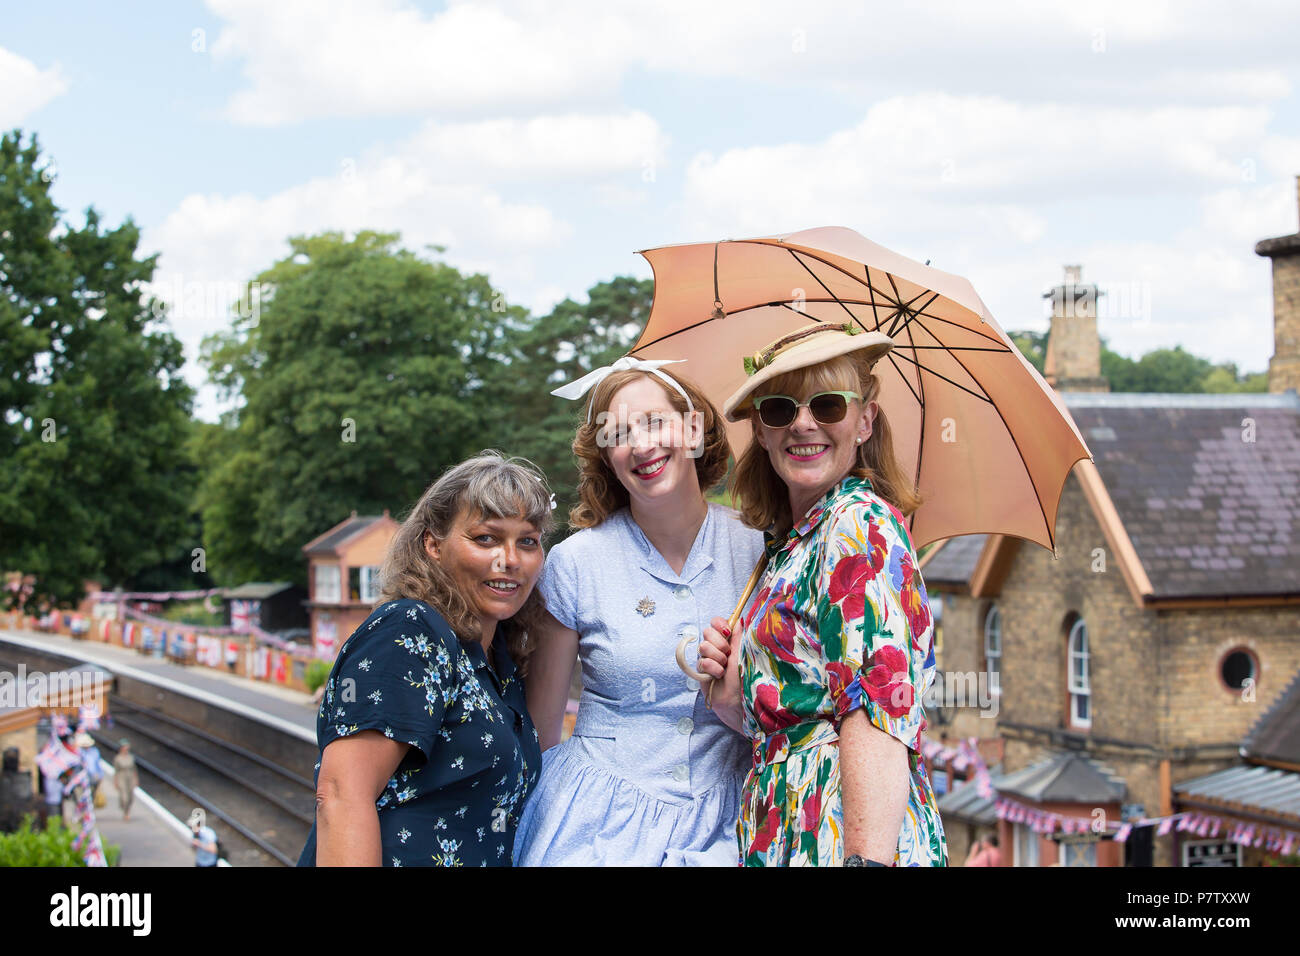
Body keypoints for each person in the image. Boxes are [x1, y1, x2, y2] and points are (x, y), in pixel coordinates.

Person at [699, 322, 948, 866]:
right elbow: (800, 715)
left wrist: (865, 859)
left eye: (828, 405)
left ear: (864, 422)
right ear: (762, 432)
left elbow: (879, 711)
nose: (804, 423)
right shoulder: (794, 544)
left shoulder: (856, 526)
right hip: (789, 823)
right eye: (780, 409)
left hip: (844, 834)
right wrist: (731, 694)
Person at [514, 358, 765, 866]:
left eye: (655, 422)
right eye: (620, 433)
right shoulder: (575, 564)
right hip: (598, 829)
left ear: (693, 429)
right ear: (607, 456)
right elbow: (541, 732)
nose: (643, 444)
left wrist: (739, 707)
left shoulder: (762, 550)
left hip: (734, 823)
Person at [297, 451, 553, 867]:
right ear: (432, 544)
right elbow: (341, 796)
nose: (509, 559)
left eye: (527, 540)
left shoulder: (496, 661)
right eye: (486, 538)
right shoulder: (409, 631)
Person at [112, 739, 138, 821]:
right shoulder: (117, 758)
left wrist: (136, 779)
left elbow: (134, 769)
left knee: (131, 796)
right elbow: (116, 770)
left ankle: (127, 810)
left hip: (130, 776)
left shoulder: (131, 757)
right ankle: (125, 813)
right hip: (121, 776)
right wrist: (115, 781)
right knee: (124, 796)